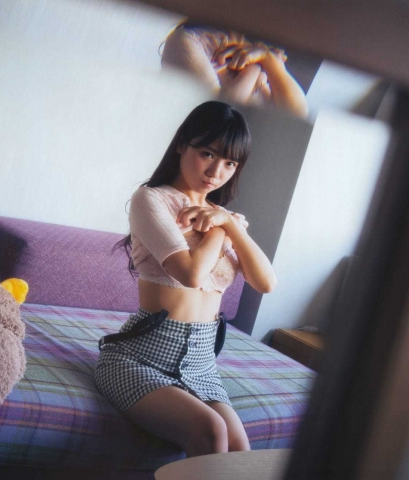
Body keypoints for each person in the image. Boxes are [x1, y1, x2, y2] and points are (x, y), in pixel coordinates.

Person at [94, 101, 276, 456]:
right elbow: (190, 274)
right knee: (211, 430)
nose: (216, 171)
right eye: (208, 153)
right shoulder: (151, 199)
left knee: (239, 450)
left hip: (202, 364)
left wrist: (228, 223)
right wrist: (222, 230)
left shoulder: (222, 216)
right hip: (140, 356)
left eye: (230, 163)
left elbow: (266, 283)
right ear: (182, 144)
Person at [161, 22, 309, 118]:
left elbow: (297, 115)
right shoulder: (188, 40)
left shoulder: (262, 47)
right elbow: (220, 115)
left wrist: (267, 58)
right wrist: (256, 66)